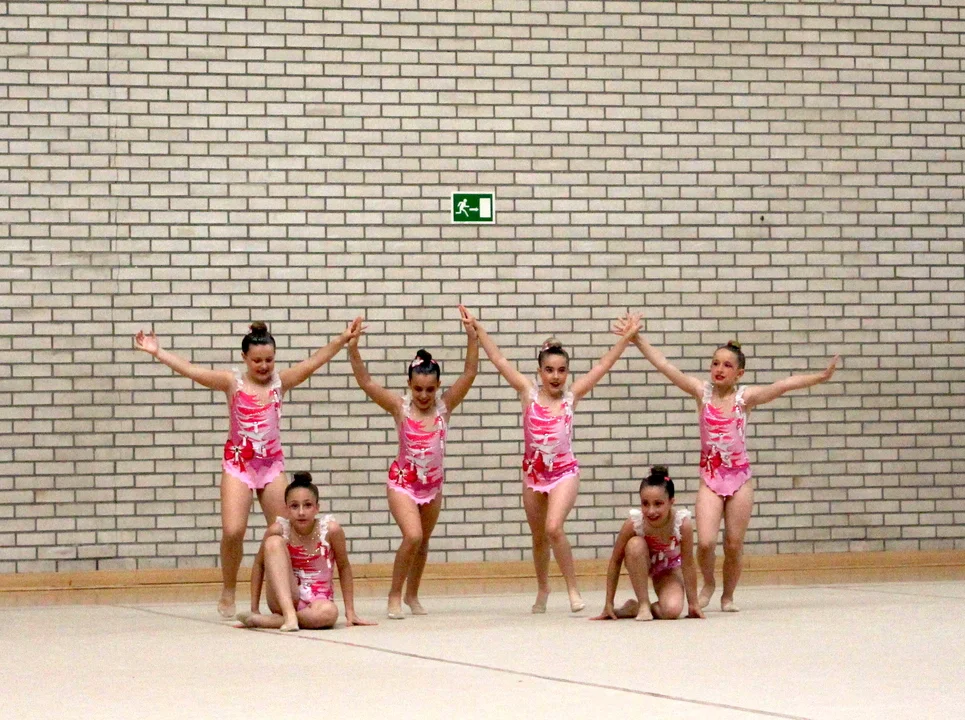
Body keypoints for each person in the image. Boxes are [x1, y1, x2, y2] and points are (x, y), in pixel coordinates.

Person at [134, 318, 362, 618]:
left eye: (269, 360)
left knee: (286, 529)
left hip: (271, 466)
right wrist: (158, 352)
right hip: (239, 465)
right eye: (257, 360)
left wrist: (342, 339)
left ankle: (290, 592)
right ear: (244, 358)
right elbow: (192, 370)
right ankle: (229, 588)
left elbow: (313, 362)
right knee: (233, 531)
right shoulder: (232, 383)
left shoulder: (281, 382)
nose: (264, 366)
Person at [617, 315, 839, 611]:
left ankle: (728, 595)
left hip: (739, 479)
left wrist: (820, 377)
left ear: (739, 373)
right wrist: (638, 340)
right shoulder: (702, 393)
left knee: (733, 543)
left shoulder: (745, 399)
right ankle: (709, 582)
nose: (719, 369)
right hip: (711, 479)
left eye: (727, 365)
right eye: (715, 363)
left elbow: (783, 385)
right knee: (707, 542)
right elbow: (666, 366)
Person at [467, 311, 640, 613]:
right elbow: (499, 360)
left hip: (563, 473)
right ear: (539, 372)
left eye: (561, 370)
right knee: (538, 537)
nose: (555, 376)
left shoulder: (571, 397)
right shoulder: (527, 394)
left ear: (568, 372)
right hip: (534, 475)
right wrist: (479, 330)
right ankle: (543, 588)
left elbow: (602, 365)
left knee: (554, 528)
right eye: (549, 370)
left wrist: (626, 339)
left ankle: (572, 589)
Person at [347, 306, 478, 619]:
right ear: (409, 385)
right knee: (413, 536)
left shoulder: (444, 407)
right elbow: (366, 382)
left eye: (430, 389)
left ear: (438, 386)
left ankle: (412, 595)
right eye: (418, 389)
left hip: (431, 485)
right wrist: (353, 348)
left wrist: (472, 336)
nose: (424, 395)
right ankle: (394, 595)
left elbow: (469, 373)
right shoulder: (400, 407)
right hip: (403, 483)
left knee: (423, 541)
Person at [237, 472, 373, 631]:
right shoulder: (280, 529)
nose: (301, 512)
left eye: (307, 505)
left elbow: (344, 567)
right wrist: (254, 608)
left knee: (329, 613)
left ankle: (270, 621)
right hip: (284, 597)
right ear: (286, 509)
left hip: (318, 603)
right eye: (294, 506)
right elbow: (259, 565)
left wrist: (350, 612)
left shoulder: (330, 530)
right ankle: (288, 614)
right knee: (273, 542)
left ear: (317, 508)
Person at [591, 465, 703, 621]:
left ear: (671, 502)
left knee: (671, 611)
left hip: (668, 570)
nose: (651, 511)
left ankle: (634, 607)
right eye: (645, 503)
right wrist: (608, 604)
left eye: (658, 504)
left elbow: (688, 564)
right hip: (640, 562)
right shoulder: (634, 523)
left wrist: (693, 603)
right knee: (635, 544)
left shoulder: (681, 524)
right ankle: (643, 604)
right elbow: (615, 561)